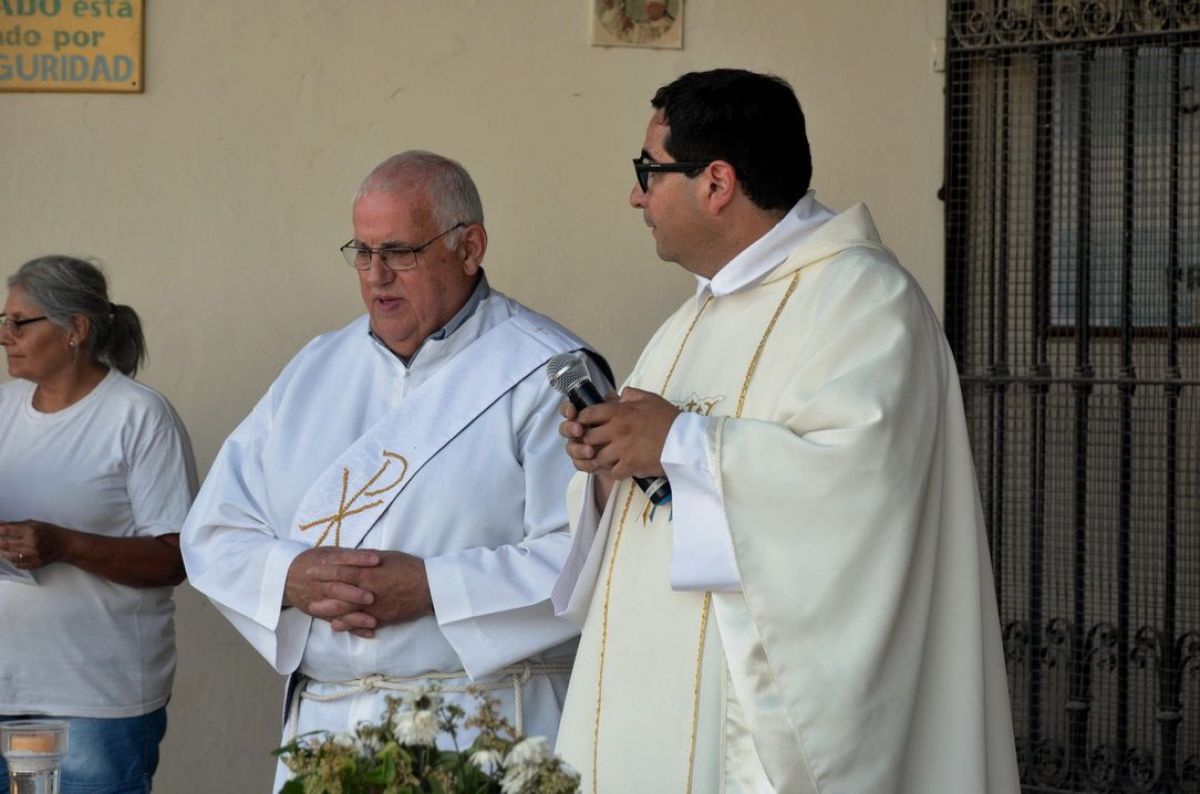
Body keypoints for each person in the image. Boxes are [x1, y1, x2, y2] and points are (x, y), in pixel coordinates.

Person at [553, 69, 1020, 792]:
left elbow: (857, 495)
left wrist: (678, 443)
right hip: (650, 689)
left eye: (648, 171)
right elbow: (656, 491)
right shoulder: (694, 316)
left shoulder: (865, 301)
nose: (636, 195)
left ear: (716, 182)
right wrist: (610, 463)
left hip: (741, 718)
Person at [180, 151, 610, 789]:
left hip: (484, 727)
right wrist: (289, 575)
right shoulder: (313, 370)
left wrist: (433, 587)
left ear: (470, 247)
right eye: (362, 252)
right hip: (326, 732)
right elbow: (213, 532)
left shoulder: (546, 370)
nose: (376, 276)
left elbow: (592, 560)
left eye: (401, 252)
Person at [0, 256, 197, 793]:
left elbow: (176, 557)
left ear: (76, 330)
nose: (5, 336)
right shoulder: (3, 409)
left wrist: (62, 544)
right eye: (3, 321)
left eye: (21, 322)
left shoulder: (138, 416)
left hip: (91, 702)